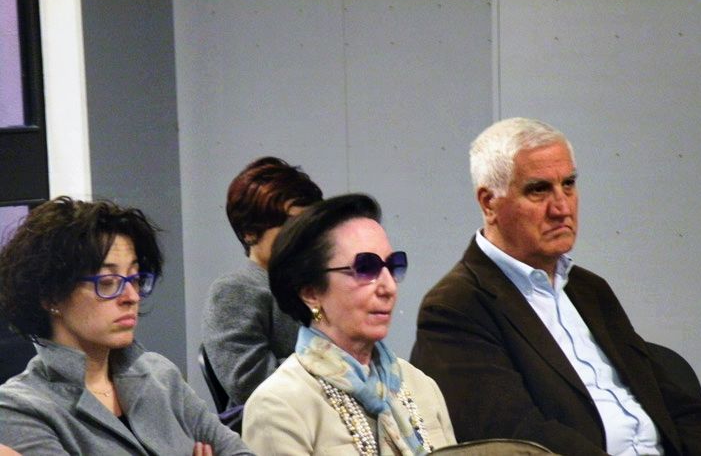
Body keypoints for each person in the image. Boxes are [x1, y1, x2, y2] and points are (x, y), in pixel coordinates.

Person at [410, 118, 701, 456]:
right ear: (489, 202)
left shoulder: (589, 289)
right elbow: (517, 439)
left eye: (568, 184)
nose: (562, 208)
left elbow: (675, 404)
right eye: (538, 190)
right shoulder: (455, 308)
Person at [0, 196, 252, 455]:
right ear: (51, 295)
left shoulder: (161, 376)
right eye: (107, 282)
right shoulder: (19, 409)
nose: (131, 296)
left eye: (134, 279)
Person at [242, 194, 456, 455]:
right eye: (366, 268)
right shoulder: (278, 407)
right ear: (311, 292)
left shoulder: (420, 387)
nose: (388, 287)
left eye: (393, 266)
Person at [202, 156, 323, 411]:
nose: (302, 236)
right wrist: (334, 364)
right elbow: (251, 385)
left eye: (307, 225)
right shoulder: (235, 290)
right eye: (290, 225)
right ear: (250, 231)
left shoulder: (313, 284)